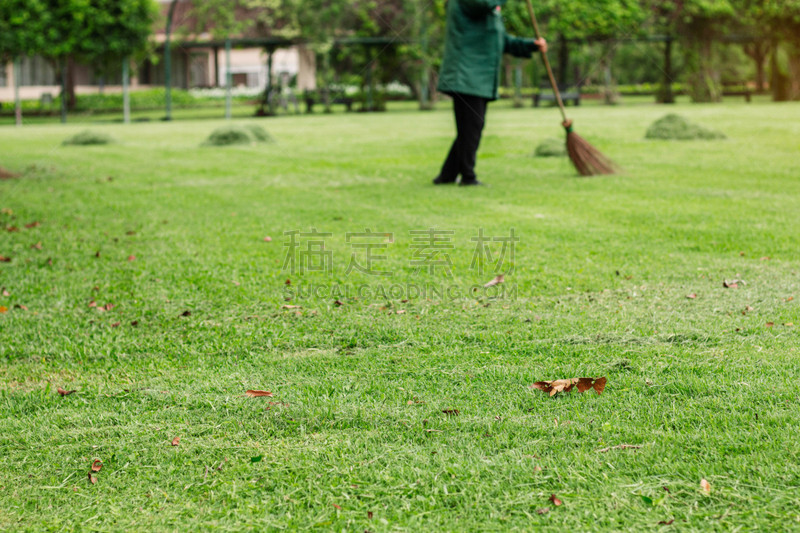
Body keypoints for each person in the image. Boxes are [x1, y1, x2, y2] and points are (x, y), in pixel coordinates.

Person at [434, 0, 547, 186]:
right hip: (466, 74)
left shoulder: (491, 11)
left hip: (478, 77)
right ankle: (468, 177)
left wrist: (532, 45)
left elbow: (502, 39)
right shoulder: (479, 4)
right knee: (472, 126)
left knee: (468, 128)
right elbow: (484, 3)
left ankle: (447, 175)